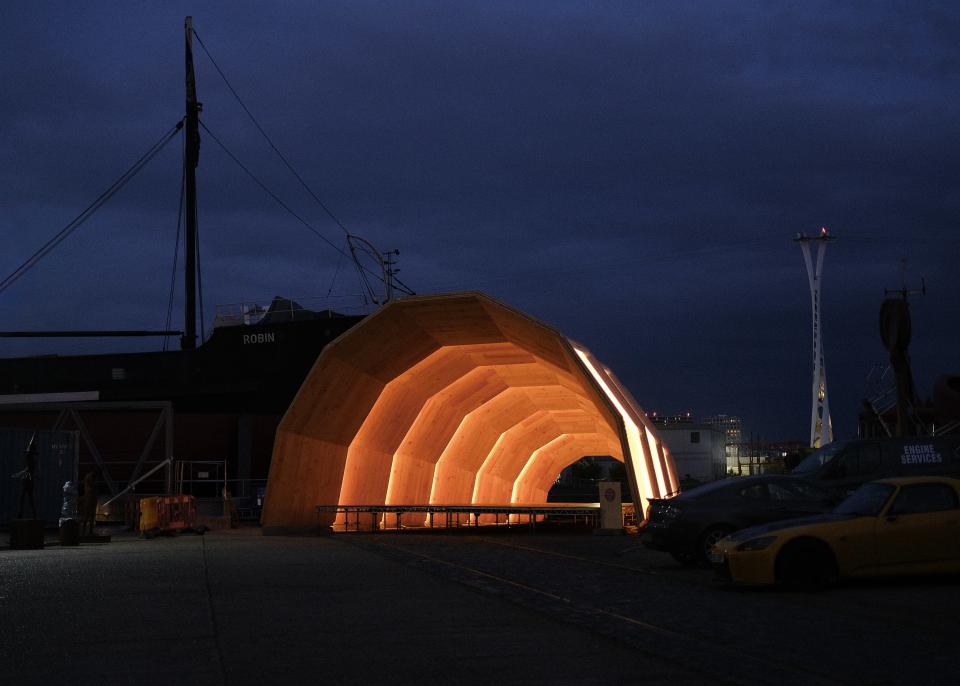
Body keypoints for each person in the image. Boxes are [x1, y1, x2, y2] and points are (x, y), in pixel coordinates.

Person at [14, 433, 38, 519]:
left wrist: (22, 474)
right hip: (27, 481)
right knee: (26, 498)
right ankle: (29, 513)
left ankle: (28, 513)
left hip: (28, 481)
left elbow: (28, 470)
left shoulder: (31, 461)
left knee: (25, 498)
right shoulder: (29, 460)